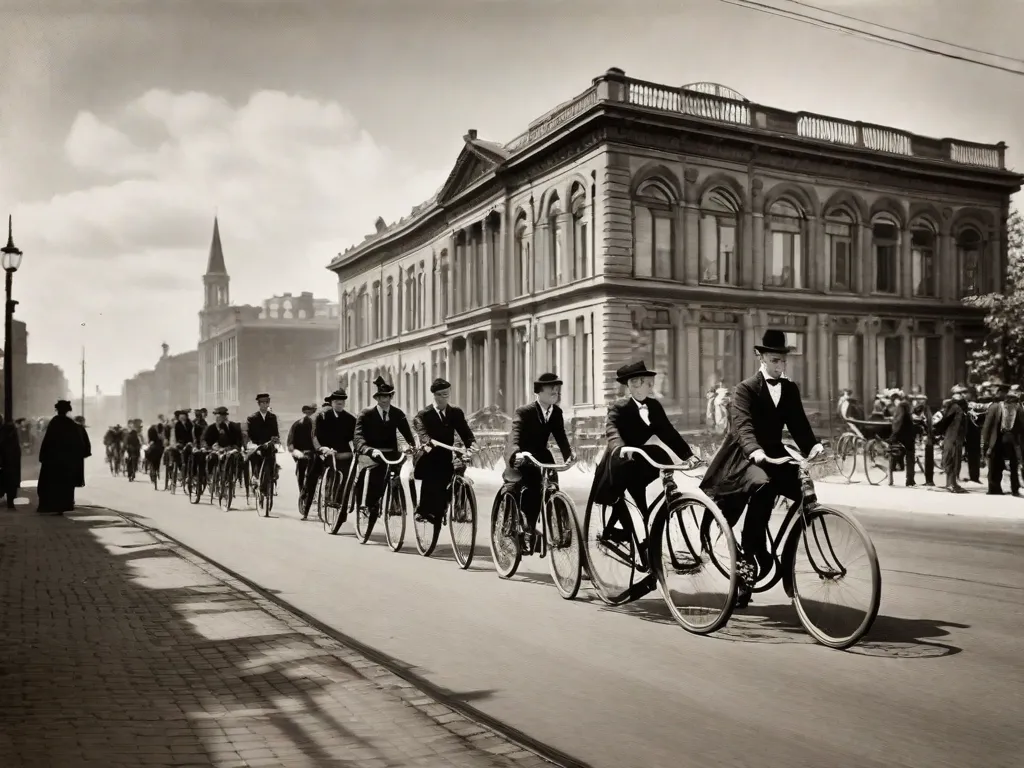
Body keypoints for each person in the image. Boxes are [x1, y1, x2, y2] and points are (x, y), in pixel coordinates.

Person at [699, 330, 823, 608]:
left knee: (804, 490)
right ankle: (749, 559)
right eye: (775, 361)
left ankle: (775, 550)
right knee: (763, 485)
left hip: (774, 453)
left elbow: (799, 424)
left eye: (783, 362)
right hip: (743, 455)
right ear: (762, 357)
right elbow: (742, 427)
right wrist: (754, 450)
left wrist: (813, 448)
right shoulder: (745, 388)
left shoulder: (789, 388)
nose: (781, 367)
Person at [589, 361, 696, 550]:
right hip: (618, 458)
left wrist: (688, 456)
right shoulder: (619, 406)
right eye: (634, 383)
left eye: (644, 383)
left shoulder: (654, 406)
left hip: (638, 458)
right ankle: (625, 533)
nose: (640, 387)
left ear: (650, 384)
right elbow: (612, 429)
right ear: (628, 386)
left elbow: (668, 432)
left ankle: (663, 495)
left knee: (658, 455)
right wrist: (621, 447)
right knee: (620, 496)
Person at [503, 372, 574, 548]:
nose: (555, 392)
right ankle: (528, 531)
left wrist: (569, 456)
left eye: (557, 389)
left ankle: (560, 528)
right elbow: (515, 434)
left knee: (552, 486)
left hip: (542, 455)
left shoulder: (556, 412)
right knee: (532, 490)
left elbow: (561, 437)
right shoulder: (524, 411)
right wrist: (516, 453)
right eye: (551, 388)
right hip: (523, 456)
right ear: (539, 392)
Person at [412, 378, 477, 524]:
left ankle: (453, 507)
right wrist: (428, 441)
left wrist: (471, 445)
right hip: (430, 453)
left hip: (448, 453)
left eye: (446, 394)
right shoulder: (423, 414)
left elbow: (465, 432)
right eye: (440, 395)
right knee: (432, 474)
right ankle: (422, 510)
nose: (444, 398)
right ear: (434, 395)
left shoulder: (455, 412)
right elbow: (421, 433)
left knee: (455, 471)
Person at [353, 377, 415, 517]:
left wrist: (412, 447)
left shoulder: (397, 414)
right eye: (381, 397)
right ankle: (369, 505)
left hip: (391, 453)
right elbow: (358, 436)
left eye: (386, 396)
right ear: (377, 398)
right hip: (371, 453)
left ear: (391, 397)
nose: (384, 400)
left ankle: (395, 501)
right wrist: (367, 449)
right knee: (375, 478)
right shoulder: (366, 414)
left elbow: (407, 434)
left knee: (397, 473)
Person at [309, 389, 357, 519]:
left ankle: (343, 501)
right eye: (336, 401)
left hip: (345, 452)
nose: (339, 403)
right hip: (327, 451)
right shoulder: (322, 417)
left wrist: (357, 449)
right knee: (324, 473)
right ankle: (322, 497)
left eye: (341, 401)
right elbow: (315, 436)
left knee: (349, 476)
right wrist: (323, 449)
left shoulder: (351, 418)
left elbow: (355, 437)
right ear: (331, 403)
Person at [37, 400, 86, 515]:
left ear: (57, 410)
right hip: (67, 461)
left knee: (51, 482)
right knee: (65, 484)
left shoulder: (54, 423)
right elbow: (79, 444)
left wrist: (43, 456)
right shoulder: (72, 425)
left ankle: (50, 505)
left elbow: (47, 441)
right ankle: (64, 505)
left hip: (53, 460)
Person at [982, 384, 1023, 496]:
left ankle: (1012, 488)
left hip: (1011, 440)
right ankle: (995, 488)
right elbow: (987, 426)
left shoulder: (1018, 409)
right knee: (996, 464)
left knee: (1012, 465)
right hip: (998, 439)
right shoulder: (996, 407)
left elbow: (1022, 426)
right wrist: (985, 443)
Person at [935, 384, 969, 494]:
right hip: (952, 437)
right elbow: (946, 421)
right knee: (952, 460)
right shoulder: (954, 407)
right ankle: (951, 484)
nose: (964, 395)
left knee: (955, 460)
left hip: (956, 437)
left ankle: (952, 483)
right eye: (961, 393)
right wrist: (939, 434)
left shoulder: (960, 407)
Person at [245, 393, 281, 487]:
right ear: (259, 404)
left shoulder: (272, 417)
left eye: (266, 403)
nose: (265, 405)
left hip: (268, 443)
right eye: (262, 403)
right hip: (256, 443)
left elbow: (275, 431)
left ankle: (273, 474)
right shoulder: (252, 418)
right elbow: (249, 433)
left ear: (268, 403)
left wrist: (274, 439)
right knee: (254, 455)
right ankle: (255, 476)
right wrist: (256, 443)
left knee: (272, 454)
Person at [287, 404, 318, 505]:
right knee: (301, 472)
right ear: (304, 413)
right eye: (307, 413)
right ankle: (302, 493)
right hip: (301, 452)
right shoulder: (297, 424)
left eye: (311, 412)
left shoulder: (318, 424)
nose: (309, 415)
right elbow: (290, 440)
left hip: (315, 452)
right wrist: (293, 449)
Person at [887, 388, 915, 487]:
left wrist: (894, 434)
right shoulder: (907, 404)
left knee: (893, 453)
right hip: (910, 433)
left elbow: (898, 421)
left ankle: (891, 478)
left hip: (901, 434)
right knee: (910, 457)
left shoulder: (901, 405)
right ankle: (910, 480)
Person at [909, 389, 935, 486]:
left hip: (925, 437)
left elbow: (927, 424)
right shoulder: (917, 410)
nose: (920, 401)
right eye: (918, 399)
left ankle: (929, 480)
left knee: (928, 460)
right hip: (919, 438)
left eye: (922, 399)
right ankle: (927, 480)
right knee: (924, 459)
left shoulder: (925, 410)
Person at [0, 414, 21, 508]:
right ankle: (10, 501)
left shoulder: (7, 431)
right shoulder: (10, 431)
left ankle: (9, 501)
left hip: (7, 462)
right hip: (10, 462)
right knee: (10, 482)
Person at [73, 415, 92, 489]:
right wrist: (86, 452)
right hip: (77, 454)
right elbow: (86, 442)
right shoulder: (80, 429)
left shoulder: (66, 428)